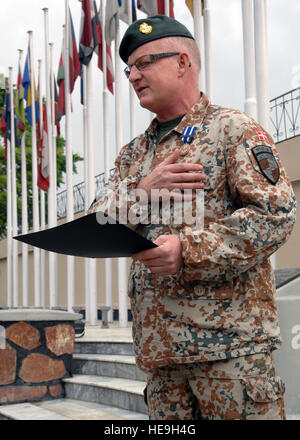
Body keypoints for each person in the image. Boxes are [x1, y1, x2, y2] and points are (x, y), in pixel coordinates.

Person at [89, 15, 297, 420]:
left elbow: (275, 214)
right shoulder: (132, 155)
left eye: (144, 63)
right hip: (162, 361)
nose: (132, 75)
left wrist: (188, 249)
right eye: (129, 67)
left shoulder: (232, 130)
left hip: (230, 356)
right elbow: (97, 222)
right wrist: (141, 193)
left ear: (183, 62)